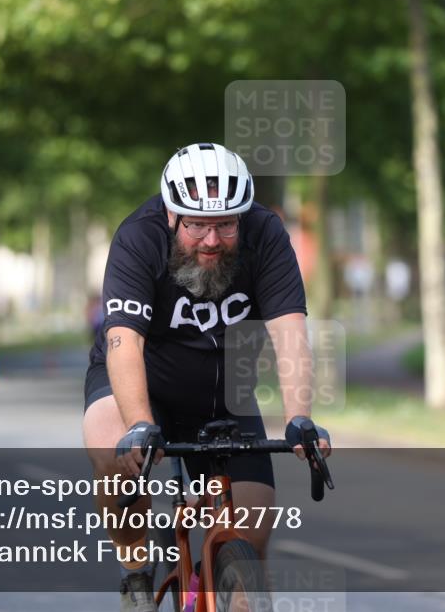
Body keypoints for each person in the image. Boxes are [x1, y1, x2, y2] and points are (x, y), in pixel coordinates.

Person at [82, 142, 332, 611]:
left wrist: (299, 418)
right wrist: (139, 424)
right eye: (197, 225)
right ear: (172, 215)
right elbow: (123, 342)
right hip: (143, 382)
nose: (211, 240)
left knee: (252, 533)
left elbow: (290, 333)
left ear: (242, 218)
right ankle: (135, 573)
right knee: (114, 456)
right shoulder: (139, 237)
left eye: (225, 225)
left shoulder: (266, 234)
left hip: (223, 393)